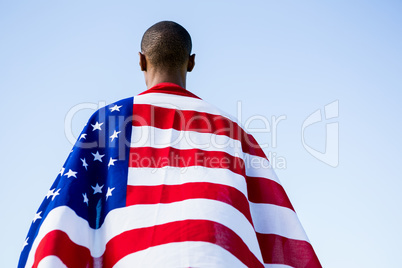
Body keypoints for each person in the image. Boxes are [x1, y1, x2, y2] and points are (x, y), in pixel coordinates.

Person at [19, 21, 321, 268]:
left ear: (141, 60)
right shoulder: (233, 131)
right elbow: (274, 224)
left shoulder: (111, 120)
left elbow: (68, 208)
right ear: (191, 63)